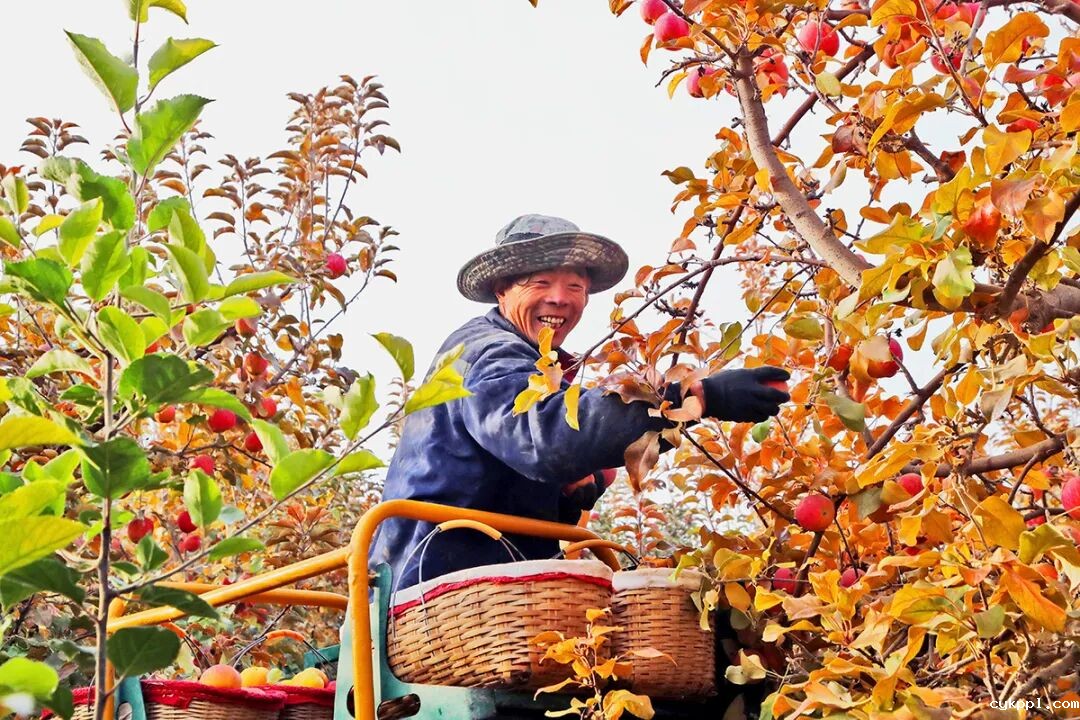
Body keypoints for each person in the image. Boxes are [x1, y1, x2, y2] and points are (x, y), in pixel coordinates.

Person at [368, 214, 789, 589]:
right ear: (502, 290)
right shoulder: (490, 352)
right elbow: (545, 440)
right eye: (541, 283)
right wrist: (695, 394)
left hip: (459, 579)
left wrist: (581, 481)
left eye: (575, 286)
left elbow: (534, 454)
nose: (561, 298)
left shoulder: (522, 361)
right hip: (440, 585)